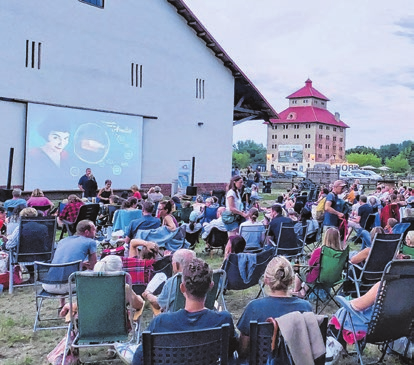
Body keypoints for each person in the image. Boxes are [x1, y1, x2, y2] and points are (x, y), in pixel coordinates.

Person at [131, 258, 239, 365]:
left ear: (182, 288)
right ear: (211, 286)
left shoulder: (161, 322)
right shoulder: (223, 320)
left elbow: (139, 359)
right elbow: (231, 350)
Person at [237, 256, 312, 359]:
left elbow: (243, 348)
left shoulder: (254, 308)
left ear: (266, 280)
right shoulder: (305, 307)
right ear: (291, 280)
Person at [42, 220, 97, 306]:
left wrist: (81, 264)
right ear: (87, 232)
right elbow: (94, 267)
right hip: (67, 286)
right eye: (94, 230)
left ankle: (62, 305)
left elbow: (62, 262)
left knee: (64, 272)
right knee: (96, 277)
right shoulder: (90, 242)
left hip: (47, 285)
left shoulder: (63, 241)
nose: (96, 232)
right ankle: (88, 307)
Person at [293, 227, 344, 298]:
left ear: (325, 237)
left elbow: (310, 264)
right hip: (334, 279)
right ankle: (302, 292)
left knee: (300, 271)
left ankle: (296, 291)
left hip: (319, 279)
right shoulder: (342, 253)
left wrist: (312, 256)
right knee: (314, 271)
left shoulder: (319, 251)